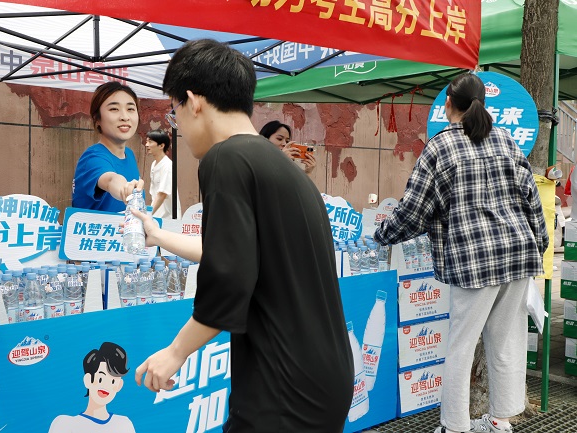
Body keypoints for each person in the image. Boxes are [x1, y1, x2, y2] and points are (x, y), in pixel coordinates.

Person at [132, 39, 353, 433]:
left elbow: (230, 275)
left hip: (282, 385)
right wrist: (159, 235)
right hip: (322, 376)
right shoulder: (281, 169)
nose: (178, 126)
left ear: (193, 101)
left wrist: (176, 352)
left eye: (174, 112)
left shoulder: (226, 158)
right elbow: (237, 254)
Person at [373, 73, 548, 433]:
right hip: (518, 252)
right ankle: (501, 421)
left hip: (474, 260)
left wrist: (382, 235)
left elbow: (414, 211)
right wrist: (540, 244)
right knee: (508, 342)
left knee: (461, 344)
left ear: (448, 104)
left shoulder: (440, 146)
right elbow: (531, 198)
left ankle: (454, 427)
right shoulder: (505, 139)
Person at [72, 82, 145, 212]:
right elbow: (111, 180)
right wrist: (124, 189)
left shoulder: (129, 154)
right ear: (97, 119)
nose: (125, 117)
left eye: (130, 109)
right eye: (114, 109)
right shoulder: (92, 158)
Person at [48, 341, 136, 433]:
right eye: (100, 379)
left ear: (119, 385)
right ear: (88, 380)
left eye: (113, 381)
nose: (106, 386)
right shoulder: (65, 425)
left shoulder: (124, 424)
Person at [145, 129, 181, 218]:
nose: (147, 145)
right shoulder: (154, 164)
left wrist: (148, 215)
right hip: (157, 214)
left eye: (150, 142)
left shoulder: (167, 165)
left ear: (161, 145)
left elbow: (162, 194)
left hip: (168, 217)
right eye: (146, 141)